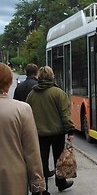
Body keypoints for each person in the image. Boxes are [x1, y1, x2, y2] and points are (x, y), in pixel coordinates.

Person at [26, 66, 75, 194]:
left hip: (39, 134)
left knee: (42, 161)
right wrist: (70, 130)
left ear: (39, 77)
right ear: (52, 76)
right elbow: (65, 114)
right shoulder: (58, 93)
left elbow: (27, 113)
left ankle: (43, 189)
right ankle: (61, 182)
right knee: (59, 159)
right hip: (57, 133)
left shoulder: (32, 94)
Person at [0, 62, 46, 195]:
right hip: (13, 180)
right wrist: (38, 184)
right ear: (9, 84)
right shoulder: (21, 110)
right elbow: (31, 151)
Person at [13, 63, 55, 178]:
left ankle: (26, 171)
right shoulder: (38, 86)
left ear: (26, 72)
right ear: (36, 73)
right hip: (37, 123)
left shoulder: (19, 87)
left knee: (24, 150)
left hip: (22, 122)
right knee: (38, 152)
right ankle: (42, 173)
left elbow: (15, 104)